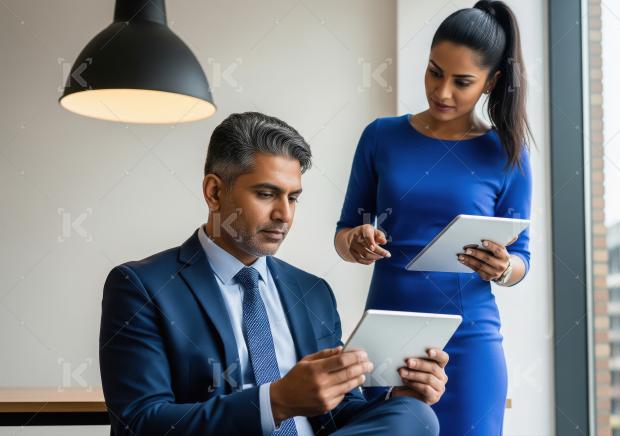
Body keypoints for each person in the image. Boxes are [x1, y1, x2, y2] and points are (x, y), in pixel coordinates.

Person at [99, 112, 449, 435]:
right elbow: (139, 423)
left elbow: (337, 415)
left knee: (413, 415)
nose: (284, 215)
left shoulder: (313, 291)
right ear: (214, 192)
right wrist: (275, 401)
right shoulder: (142, 287)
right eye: (266, 194)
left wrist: (396, 398)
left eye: (293, 198)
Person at [334, 1, 532, 434]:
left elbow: (522, 262)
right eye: (434, 71)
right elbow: (344, 232)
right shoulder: (381, 136)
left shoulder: (506, 153)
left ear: (491, 82)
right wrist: (357, 241)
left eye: (462, 82)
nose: (442, 92)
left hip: (470, 340)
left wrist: (503, 268)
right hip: (386, 337)